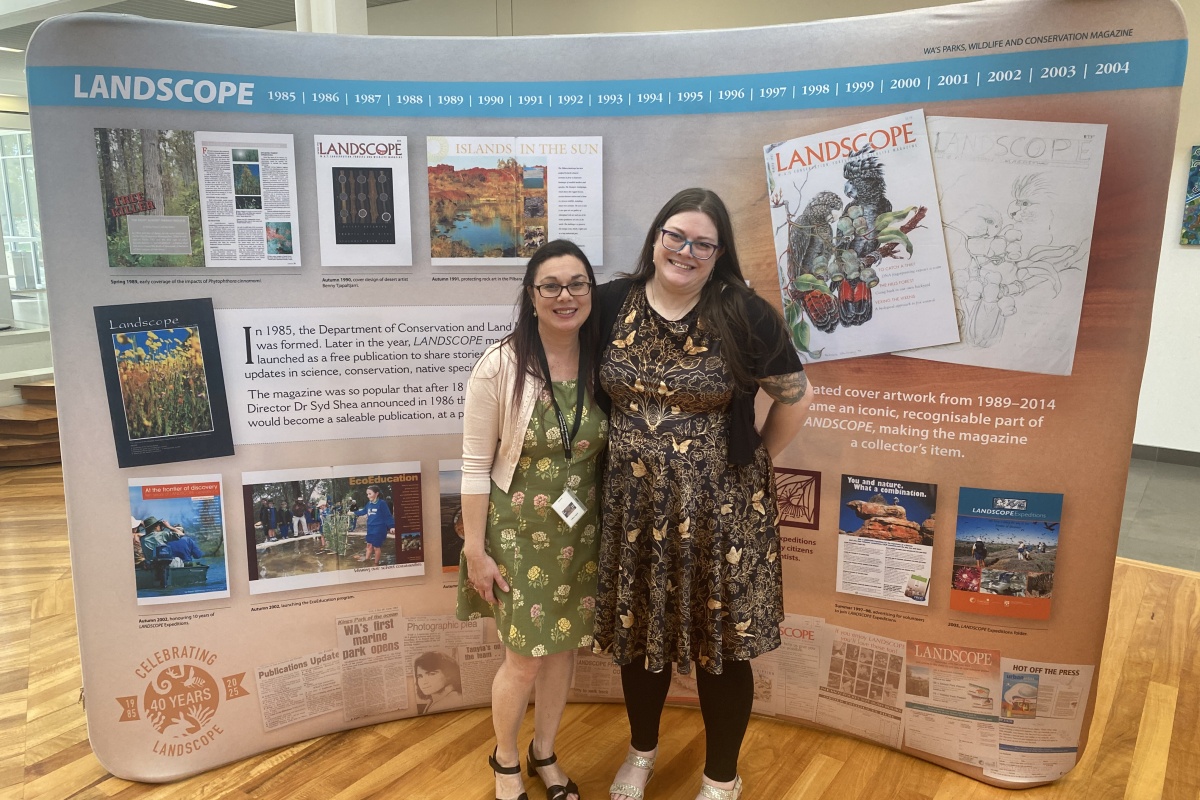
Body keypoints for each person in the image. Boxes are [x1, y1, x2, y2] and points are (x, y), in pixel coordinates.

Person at [592, 188, 812, 800]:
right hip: (632, 510)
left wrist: (757, 460)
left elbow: (795, 396)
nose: (686, 252)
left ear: (719, 254)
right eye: (676, 237)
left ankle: (721, 776)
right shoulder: (612, 303)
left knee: (722, 648)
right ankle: (641, 753)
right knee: (640, 639)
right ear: (656, 238)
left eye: (702, 244)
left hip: (720, 515)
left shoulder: (744, 313)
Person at [457, 239, 607, 800]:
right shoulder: (498, 367)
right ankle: (503, 762)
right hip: (519, 533)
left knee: (564, 649)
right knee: (523, 658)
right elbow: (474, 467)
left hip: (582, 530)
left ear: (590, 292)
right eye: (551, 286)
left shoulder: (602, 361)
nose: (565, 297)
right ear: (531, 294)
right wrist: (476, 549)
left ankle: (544, 752)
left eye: (577, 285)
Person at [350, 485, 394, 565]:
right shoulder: (369, 504)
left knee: (376, 547)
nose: (368, 496)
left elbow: (388, 516)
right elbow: (363, 511)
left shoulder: (382, 503)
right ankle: (367, 560)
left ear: (376, 494)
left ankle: (376, 564)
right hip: (370, 528)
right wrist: (353, 513)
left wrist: (392, 526)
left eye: (370, 494)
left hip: (379, 529)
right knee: (369, 545)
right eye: (367, 494)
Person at [414, 650, 464, 715]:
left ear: (448, 675)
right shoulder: (434, 699)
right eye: (420, 676)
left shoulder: (454, 699)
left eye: (432, 674)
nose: (424, 682)